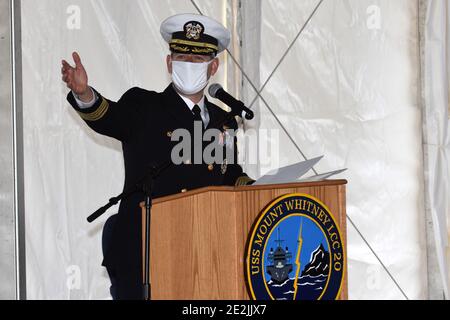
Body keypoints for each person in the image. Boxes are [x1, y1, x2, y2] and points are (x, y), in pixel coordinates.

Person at [61, 13, 253, 300]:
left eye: (198, 60)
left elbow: (229, 173)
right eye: (181, 58)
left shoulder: (222, 121)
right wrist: (85, 94)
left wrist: (255, 188)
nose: (189, 66)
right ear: (169, 63)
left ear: (213, 66)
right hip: (145, 253)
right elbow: (109, 118)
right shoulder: (144, 106)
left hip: (203, 253)